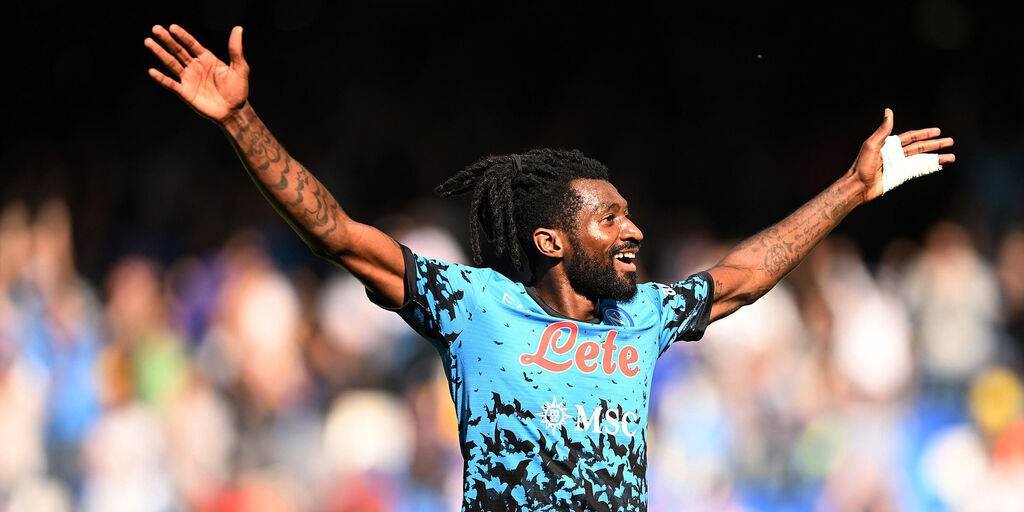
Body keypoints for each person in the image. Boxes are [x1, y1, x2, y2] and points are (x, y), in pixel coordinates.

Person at [144, 24, 956, 511]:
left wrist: (854, 188)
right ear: (551, 243)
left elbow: (743, 275)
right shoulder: (475, 308)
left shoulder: (643, 318)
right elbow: (339, 236)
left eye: (630, 213)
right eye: (610, 218)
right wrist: (243, 121)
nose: (633, 229)